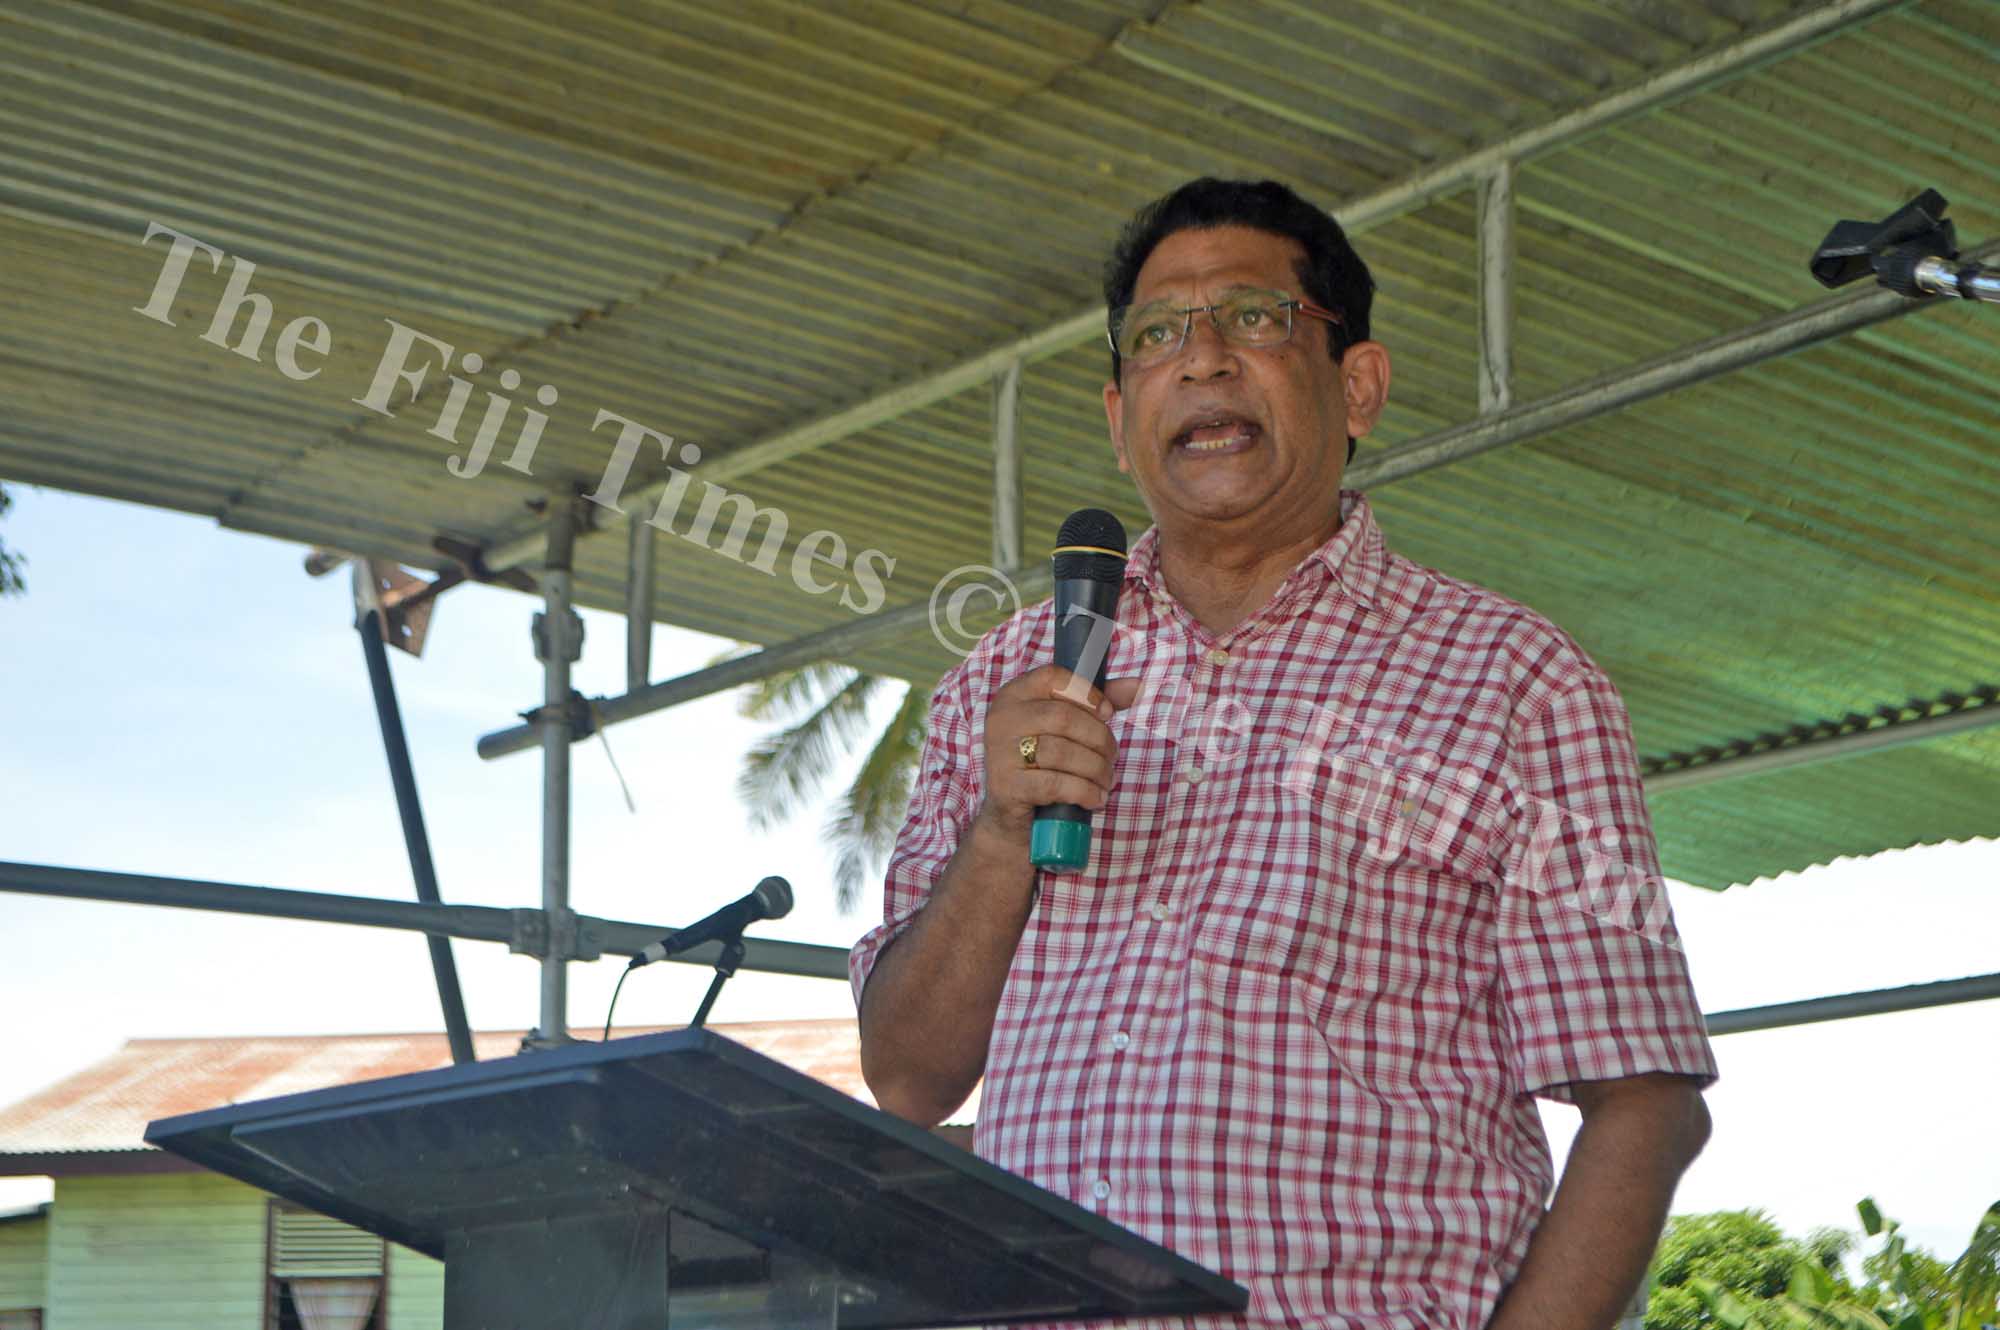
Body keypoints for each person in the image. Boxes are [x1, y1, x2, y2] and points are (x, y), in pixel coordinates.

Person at [850, 178, 1717, 1330]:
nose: (1201, 362)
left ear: (1355, 384)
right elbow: (909, 1079)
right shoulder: (1001, 684)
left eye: (1253, 319)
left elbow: (1643, 1101)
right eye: (1159, 334)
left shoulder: (1512, 681)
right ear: (1119, 420)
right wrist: (1004, 833)